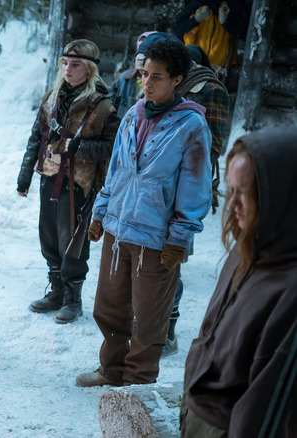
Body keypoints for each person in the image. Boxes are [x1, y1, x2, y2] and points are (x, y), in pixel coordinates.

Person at [76, 40, 212, 387]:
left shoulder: (191, 126)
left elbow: (195, 188)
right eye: (143, 75)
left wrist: (179, 239)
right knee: (108, 309)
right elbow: (117, 172)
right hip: (118, 231)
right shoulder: (134, 113)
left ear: (177, 80)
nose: (147, 84)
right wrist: (100, 213)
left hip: (156, 238)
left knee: (150, 319)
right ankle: (112, 371)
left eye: (157, 77)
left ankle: (138, 384)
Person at [182, 127, 297, 437]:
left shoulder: (290, 291)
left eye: (247, 192)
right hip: (199, 415)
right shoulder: (246, 248)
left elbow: (267, 408)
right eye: (231, 189)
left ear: (284, 196)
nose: (233, 204)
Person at [17, 39, 119, 324]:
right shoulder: (53, 95)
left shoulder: (102, 105)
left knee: (72, 241)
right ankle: (57, 292)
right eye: (64, 63)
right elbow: (36, 137)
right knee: (48, 237)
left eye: (75, 65)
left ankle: (73, 299)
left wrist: (75, 148)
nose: (67, 69)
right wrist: (25, 175)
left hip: (78, 183)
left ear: (88, 70)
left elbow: (111, 147)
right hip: (48, 176)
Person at [163, 44, 231, 357]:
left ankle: (167, 328)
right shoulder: (168, 83)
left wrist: (181, 151)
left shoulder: (212, 90)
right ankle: (148, 321)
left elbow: (214, 142)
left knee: (172, 256)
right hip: (159, 181)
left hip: (187, 183)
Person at [110, 32, 182, 116]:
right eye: (145, 73)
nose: (147, 83)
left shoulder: (186, 117)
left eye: (156, 77)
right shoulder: (125, 80)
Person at [172, 0, 249, 70]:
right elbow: (177, 28)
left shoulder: (234, 5)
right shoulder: (198, 3)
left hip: (221, 69)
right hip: (196, 64)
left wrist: (226, 24)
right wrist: (195, 20)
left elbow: (246, 35)